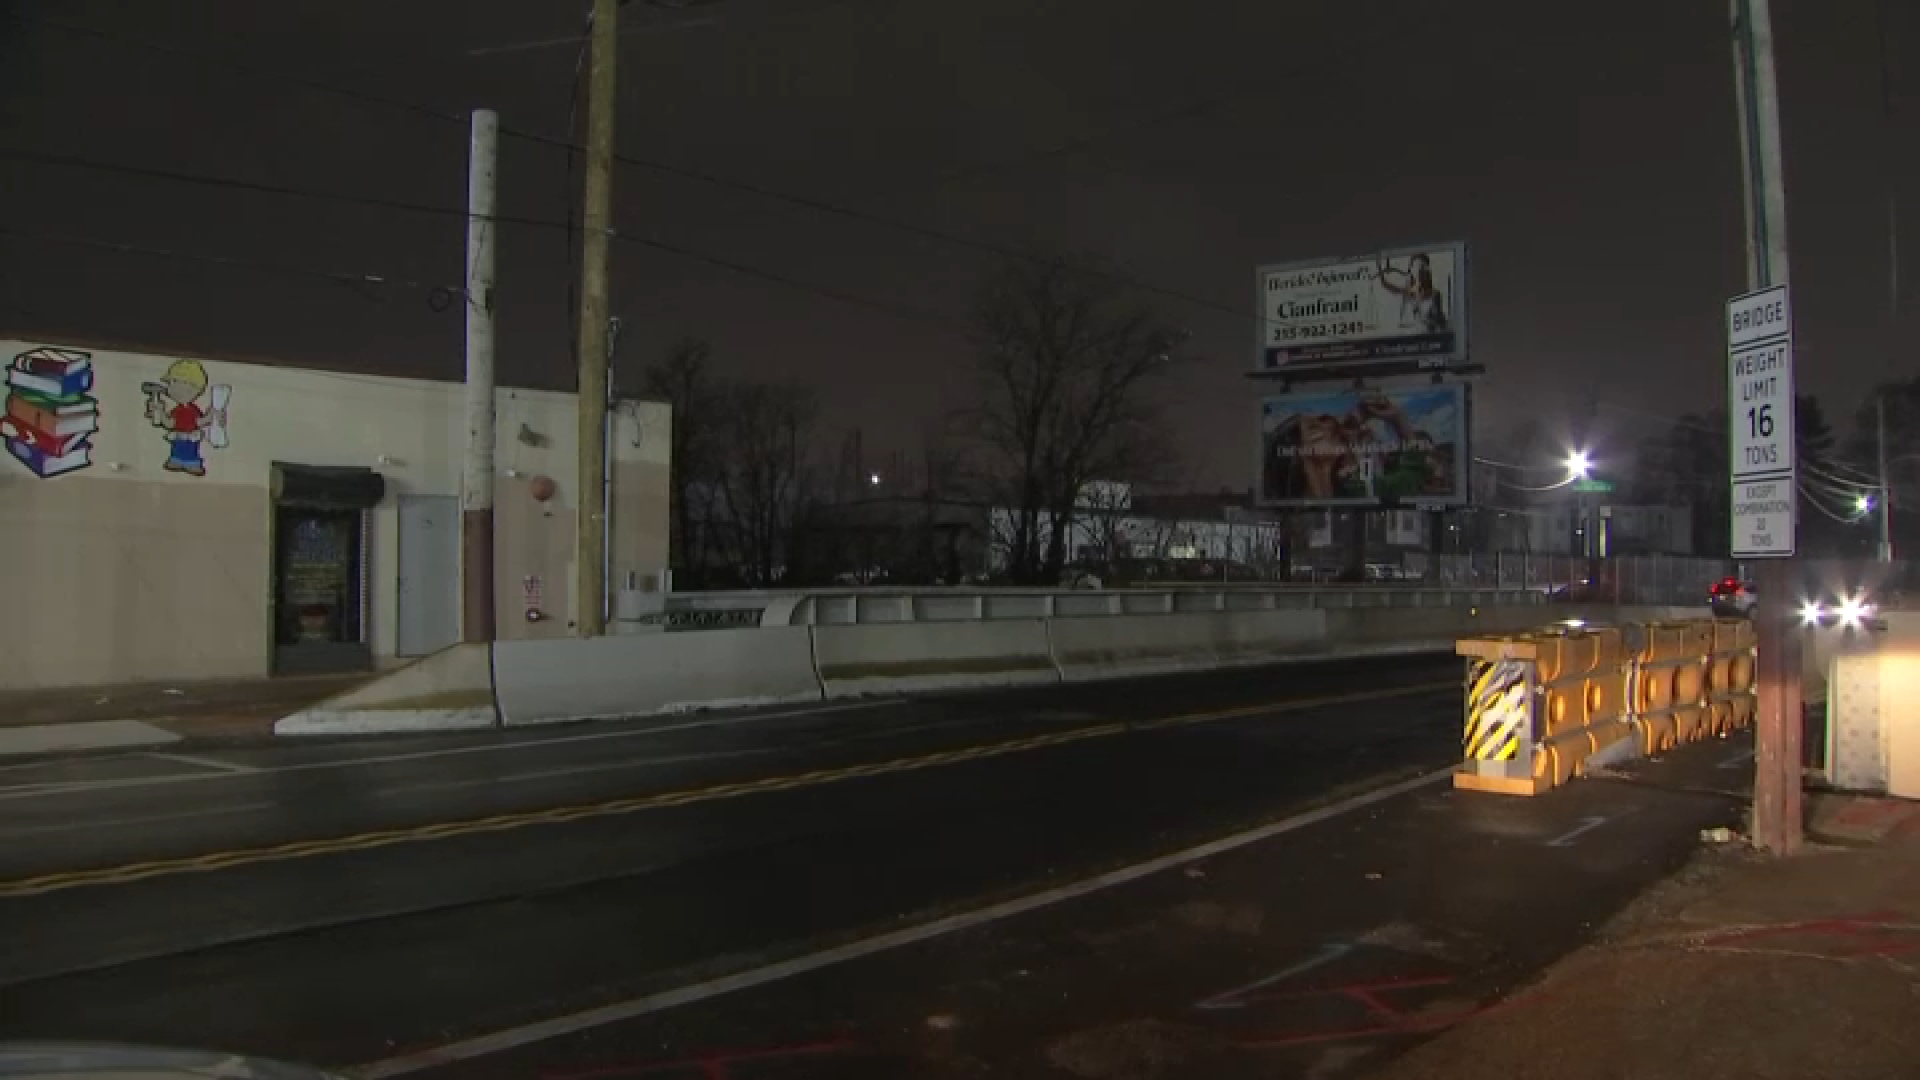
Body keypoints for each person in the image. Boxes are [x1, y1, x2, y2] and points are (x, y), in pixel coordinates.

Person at [1378, 253, 1450, 335]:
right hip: (1413, 337)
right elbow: (1386, 285)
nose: (1419, 270)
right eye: (1416, 267)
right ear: (1411, 270)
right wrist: (1379, 266)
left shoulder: (1435, 294)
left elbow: (1440, 321)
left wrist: (1434, 320)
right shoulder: (1408, 292)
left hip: (1430, 337)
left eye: (1422, 267)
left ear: (1427, 270)